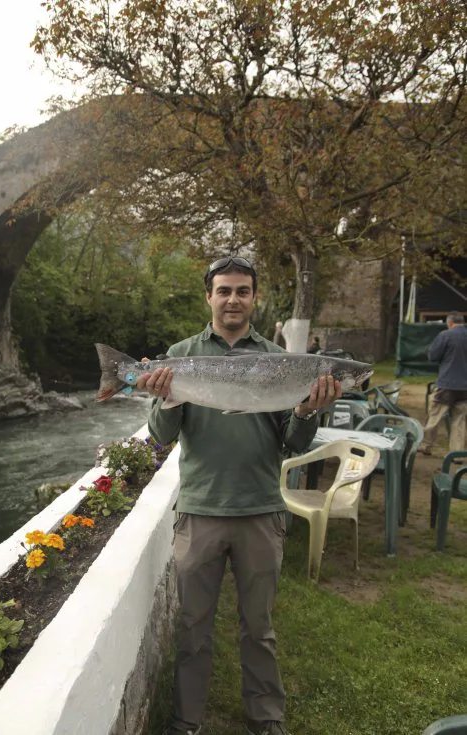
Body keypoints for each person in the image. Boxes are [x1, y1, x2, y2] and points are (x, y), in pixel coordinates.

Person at [137, 255, 342, 735]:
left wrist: (309, 412)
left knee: (260, 629)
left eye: (242, 291)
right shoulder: (181, 353)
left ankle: (266, 719)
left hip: (260, 511)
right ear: (208, 296)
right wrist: (167, 398)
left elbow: (293, 443)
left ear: (254, 297)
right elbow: (160, 435)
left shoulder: (282, 360)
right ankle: (186, 722)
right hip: (200, 510)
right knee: (192, 629)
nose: (233, 299)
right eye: (224, 290)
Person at [419, 312, 467, 459]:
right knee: (460, 419)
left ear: (450, 322)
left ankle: (426, 445)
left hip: (447, 383)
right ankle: (457, 454)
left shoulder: (445, 335)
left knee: (435, 415)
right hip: (465, 386)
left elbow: (433, 356)